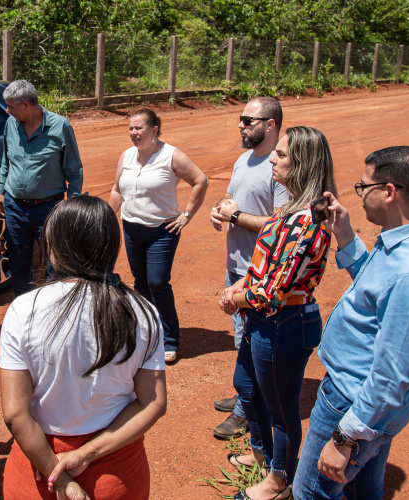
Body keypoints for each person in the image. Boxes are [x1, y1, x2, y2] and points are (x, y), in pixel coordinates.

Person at [292, 146, 409, 500]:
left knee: (312, 492)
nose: (360, 195)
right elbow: (377, 286)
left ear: (389, 191)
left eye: (364, 187)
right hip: (370, 405)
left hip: (354, 403)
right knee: (364, 489)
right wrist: (346, 236)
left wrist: (345, 437)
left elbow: (393, 373)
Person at [0, 195, 167, 500]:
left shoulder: (23, 310)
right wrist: (86, 454)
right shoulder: (143, 312)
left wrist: (61, 481)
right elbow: (153, 403)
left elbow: (15, 415)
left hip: (37, 471)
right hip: (116, 471)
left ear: (57, 246)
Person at [218, 126, 336, 500]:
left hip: (285, 323)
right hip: (263, 319)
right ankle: (262, 456)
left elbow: (274, 291)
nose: (272, 158)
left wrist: (235, 299)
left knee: (282, 408)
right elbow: (265, 267)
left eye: (282, 154)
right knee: (247, 387)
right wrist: (239, 287)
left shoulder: (310, 220)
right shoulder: (291, 208)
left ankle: (279, 480)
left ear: (303, 163)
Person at [209, 97, 288, 440]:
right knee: (243, 340)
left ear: (270, 124)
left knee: (249, 341)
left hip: (259, 275)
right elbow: (230, 201)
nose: (240, 125)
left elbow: (282, 226)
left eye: (247, 120)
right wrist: (220, 211)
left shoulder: (280, 169)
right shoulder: (244, 160)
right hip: (235, 266)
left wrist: (237, 217)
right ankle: (246, 396)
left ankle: (246, 412)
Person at [108, 108, 208, 364]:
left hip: (162, 231)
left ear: (154, 130)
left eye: (139, 128)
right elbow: (117, 190)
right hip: (131, 228)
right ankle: (144, 333)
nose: (134, 133)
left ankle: (170, 338)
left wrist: (186, 214)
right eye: (131, 128)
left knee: (158, 282)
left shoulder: (171, 156)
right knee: (140, 282)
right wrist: (108, 216)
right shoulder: (126, 156)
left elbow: (200, 180)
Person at [0, 79, 83, 297]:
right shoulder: (11, 125)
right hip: (14, 206)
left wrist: (71, 205)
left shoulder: (60, 126)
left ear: (26, 105)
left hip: (48, 208)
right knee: (18, 261)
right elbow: (6, 159)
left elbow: (74, 169)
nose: (7, 111)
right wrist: (0, 190)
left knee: (55, 262)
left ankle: (53, 310)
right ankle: (24, 311)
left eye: (11, 107)